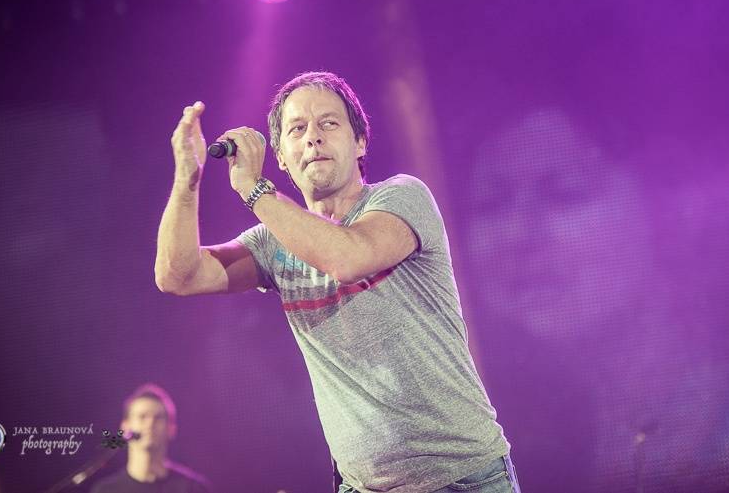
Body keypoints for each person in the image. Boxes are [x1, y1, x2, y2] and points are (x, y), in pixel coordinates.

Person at [154, 71, 518, 493]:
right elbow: (177, 276)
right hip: (362, 487)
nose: (313, 137)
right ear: (284, 157)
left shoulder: (401, 196)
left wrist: (255, 189)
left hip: (463, 479)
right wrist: (186, 180)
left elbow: (348, 257)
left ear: (360, 141)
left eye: (328, 123)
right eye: (297, 129)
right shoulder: (274, 243)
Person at [90, 383, 211, 493]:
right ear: (125, 427)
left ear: (171, 429)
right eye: (142, 416)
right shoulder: (105, 490)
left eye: (158, 417)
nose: (150, 423)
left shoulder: (193, 489)